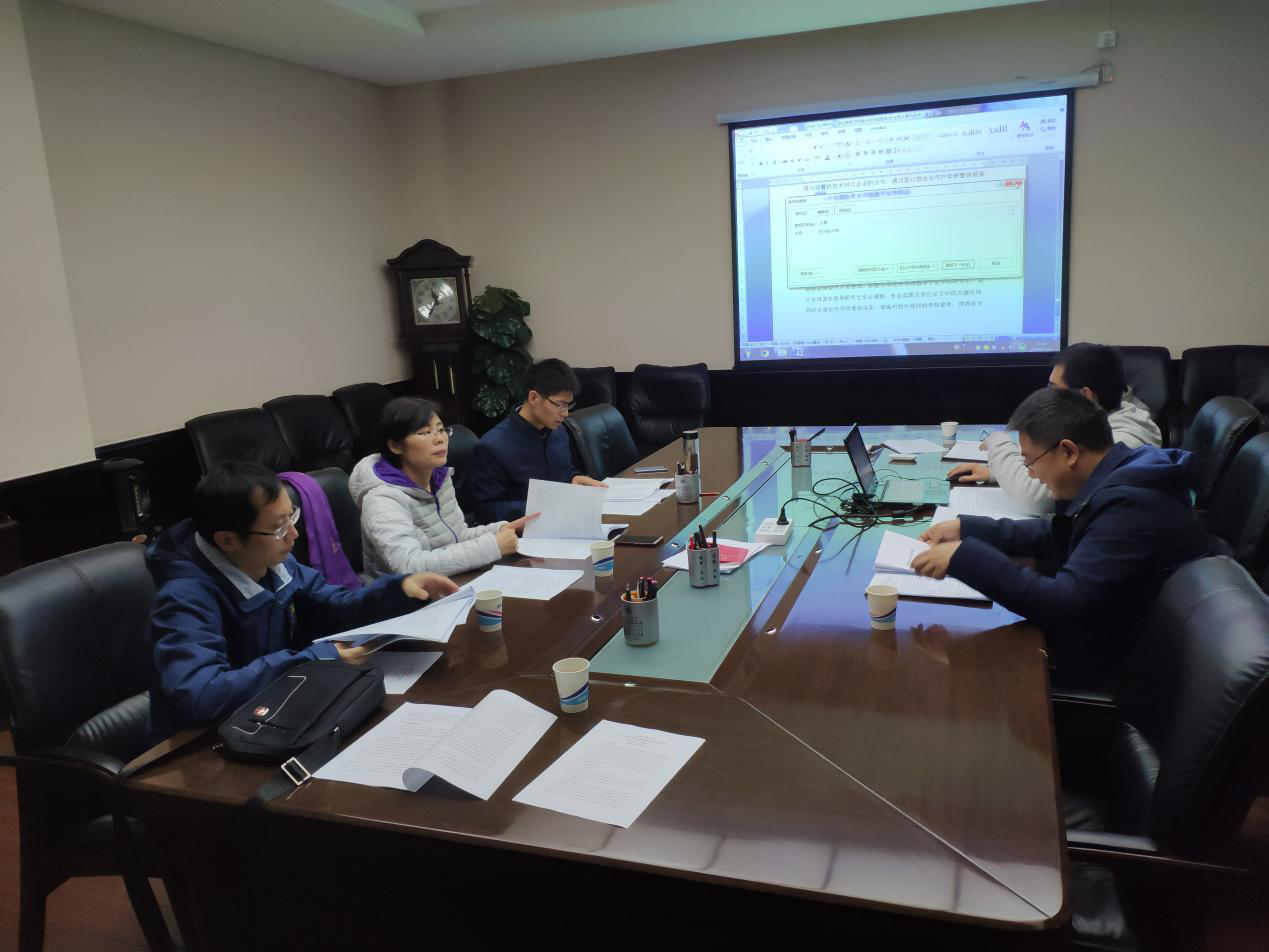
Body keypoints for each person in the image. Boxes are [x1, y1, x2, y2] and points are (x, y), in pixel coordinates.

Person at [913, 388, 1222, 686]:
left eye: (1030, 461)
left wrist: (964, 556)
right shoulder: (1126, 469)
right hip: (1127, 633)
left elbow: (1060, 604)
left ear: (1069, 452)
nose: (1030, 473)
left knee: (952, 667)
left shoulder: (1130, 507)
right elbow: (1061, 533)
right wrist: (968, 528)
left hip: (1130, 668)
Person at [147, 461, 457, 737]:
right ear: (228, 540)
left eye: (291, 517)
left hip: (273, 712)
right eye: (278, 528)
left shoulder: (270, 559)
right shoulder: (184, 597)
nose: (294, 535)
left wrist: (398, 591)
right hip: (200, 746)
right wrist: (310, 660)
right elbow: (199, 695)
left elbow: (334, 605)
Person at [948, 343, 1162, 512]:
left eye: (1053, 388)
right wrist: (998, 473)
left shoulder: (1123, 442)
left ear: (1084, 396)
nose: (1047, 396)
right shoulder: (1091, 422)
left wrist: (999, 443)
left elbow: (1036, 497)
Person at [351, 396, 536, 578]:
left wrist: (500, 530)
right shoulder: (381, 500)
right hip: (402, 595)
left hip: (451, 581)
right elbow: (409, 566)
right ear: (395, 446)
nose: (439, 438)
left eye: (441, 430)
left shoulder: (438, 478)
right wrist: (492, 546)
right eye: (425, 432)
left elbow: (457, 537)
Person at [469, 358, 606, 522]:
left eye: (568, 405)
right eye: (560, 405)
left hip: (564, 519)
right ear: (533, 398)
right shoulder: (492, 446)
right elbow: (486, 510)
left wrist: (573, 478)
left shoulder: (559, 431)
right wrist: (539, 507)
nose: (565, 413)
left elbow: (563, 471)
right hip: (523, 530)